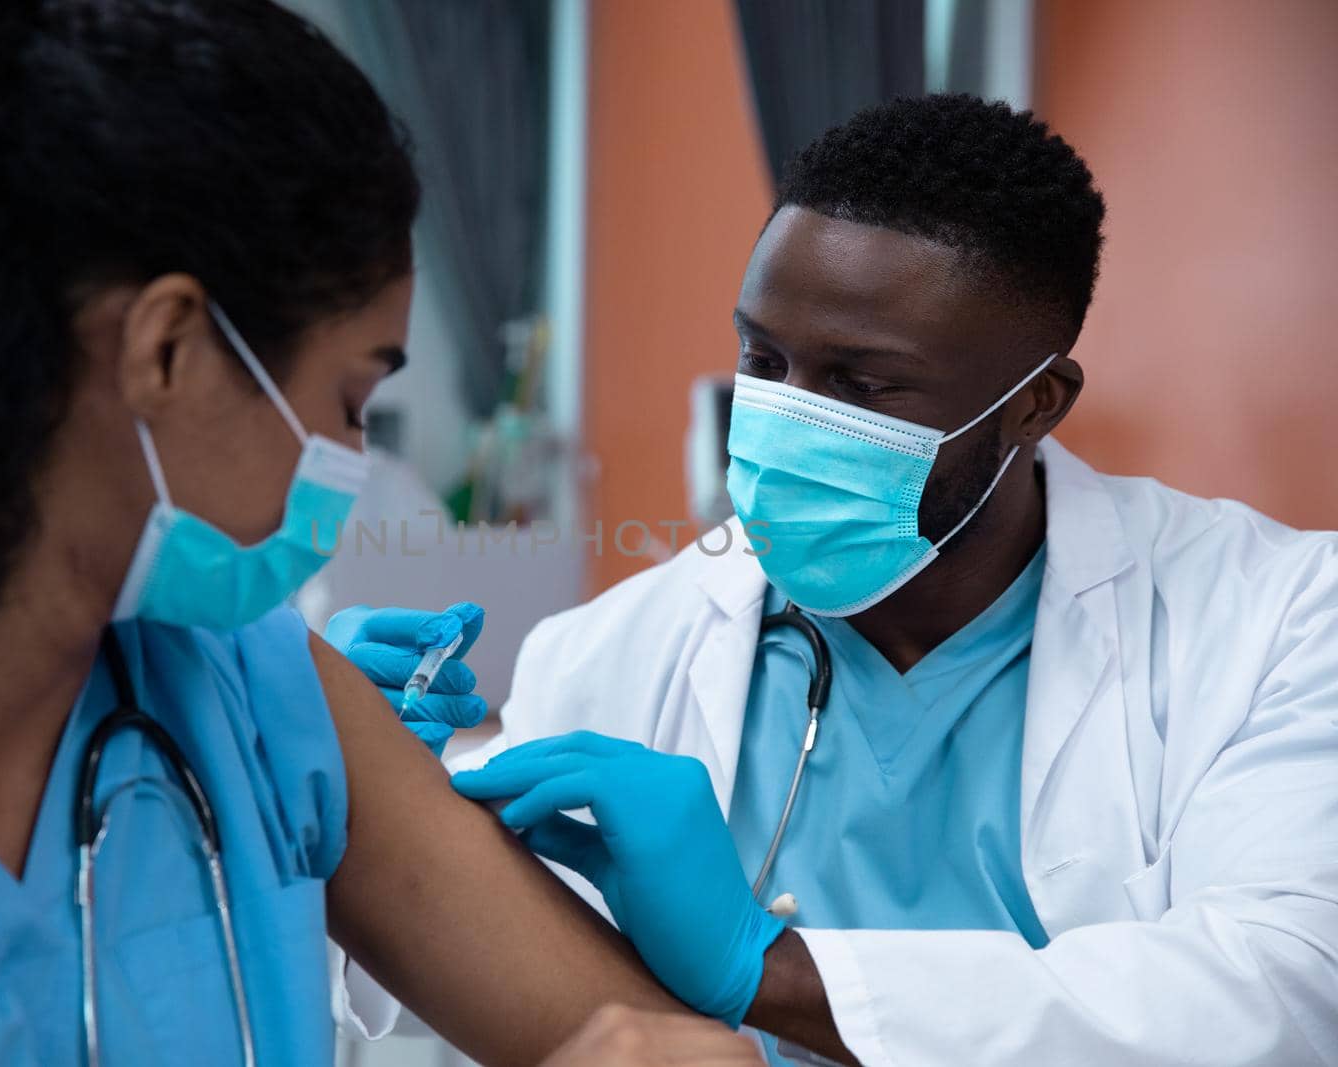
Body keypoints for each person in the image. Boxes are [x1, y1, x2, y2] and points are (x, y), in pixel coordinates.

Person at [0, 3, 766, 1065]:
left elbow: (653, 1047)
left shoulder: (242, 681)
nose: (347, 466)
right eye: (349, 402)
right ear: (170, 349)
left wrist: (748, 980)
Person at [338, 96, 1338, 1064]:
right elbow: (442, 969)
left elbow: (1284, 992)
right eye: (762, 359)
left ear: (1034, 402)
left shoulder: (1279, 618)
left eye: (860, 385)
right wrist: (350, 794)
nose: (784, 417)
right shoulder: (619, 646)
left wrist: (768, 969)